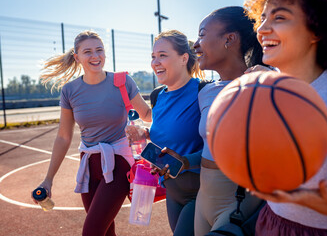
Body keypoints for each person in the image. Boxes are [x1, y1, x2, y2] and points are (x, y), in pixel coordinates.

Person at [244, 0, 327, 235]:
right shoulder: (264, 90)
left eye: (279, 17)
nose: (262, 29)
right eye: (263, 18)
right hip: (269, 222)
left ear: (317, 28)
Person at [33, 30, 151, 236]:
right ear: (77, 57)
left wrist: (171, 96)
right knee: (105, 231)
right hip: (88, 164)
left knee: (92, 231)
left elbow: (148, 114)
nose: (95, 56)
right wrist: (48, 179)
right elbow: (63, 136)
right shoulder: (69, 91)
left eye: (99, 50)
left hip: (119, 163)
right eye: (88, 52)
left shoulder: (123, 82)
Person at [186, 6, 264, 236]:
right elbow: (210, 149)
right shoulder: (205, 92)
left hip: (238, 203)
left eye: (202, 34)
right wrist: (183, 160)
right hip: (204, 199)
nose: (195, 44)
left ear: (229, 39)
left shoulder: (264, 86)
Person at [129, 29, 204, 236]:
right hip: (172, 191)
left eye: (162, 55)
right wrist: (145, 135)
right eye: (153, 57)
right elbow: (171, 134)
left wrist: (185, 162)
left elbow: (218, 147)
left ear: (184, 58)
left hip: (199, 191)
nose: (155, 62)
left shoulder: (204, 92)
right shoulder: (157, 96)